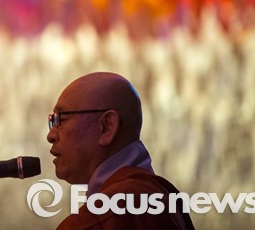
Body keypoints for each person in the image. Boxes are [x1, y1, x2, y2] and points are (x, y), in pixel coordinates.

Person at [46, 71, 195, 229]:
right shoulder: (161, 199)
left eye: (61, 119)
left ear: (107, 127)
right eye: (52, 121)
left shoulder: (106, 218)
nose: (51, 135)